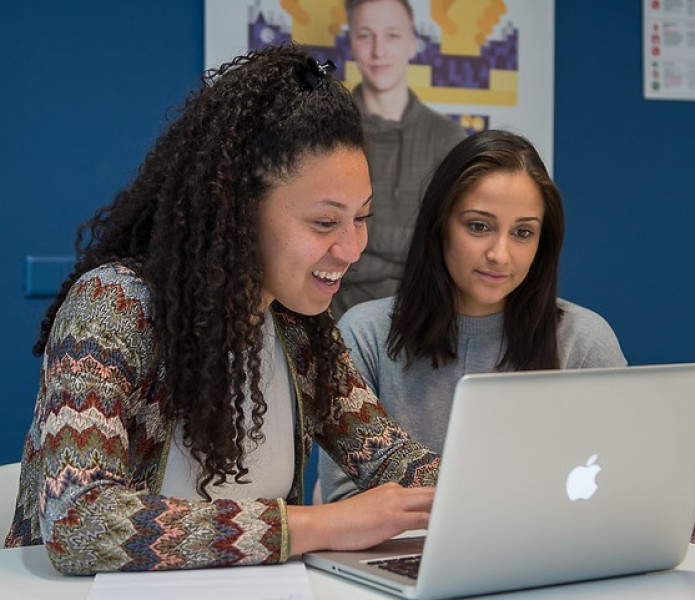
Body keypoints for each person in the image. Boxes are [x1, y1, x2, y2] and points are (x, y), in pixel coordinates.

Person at [4, 43, 439, 575]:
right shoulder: (114, 307)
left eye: (362, 217)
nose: (351, 248)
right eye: (325, 223)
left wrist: (490, 493)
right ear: (238, 212)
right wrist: (318, 525)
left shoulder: (301, 329)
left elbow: (391, 458)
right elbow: (78, 523)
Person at [319, 130, 626, 502]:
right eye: (479, 226)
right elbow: (345, 500)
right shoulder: (365, 334)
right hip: (407, 553)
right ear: (440, 225)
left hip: (553, 552)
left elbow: (620, 487)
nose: (500, 254)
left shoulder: (584, 339)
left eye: (523, 232)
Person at [330, 0, 467, 317]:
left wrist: (370, 250)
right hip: (332, 326)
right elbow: (318, 246)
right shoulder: (327, 131)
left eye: (392, 35)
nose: (378, 51)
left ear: (412, 43)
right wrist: (410, 244)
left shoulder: (447, 139)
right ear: (351, 43)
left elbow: (448, 251)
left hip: (420, 325)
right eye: (365, 35)